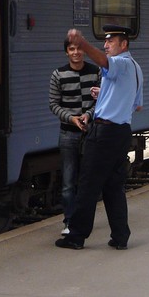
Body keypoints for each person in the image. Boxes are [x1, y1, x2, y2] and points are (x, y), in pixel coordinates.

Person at [55, 24, 143, 251]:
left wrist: (82, 43)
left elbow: (105, 63)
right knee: (114, 186)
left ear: (123, 44)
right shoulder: (136, 68)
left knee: (87, 185)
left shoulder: (121, 63)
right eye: (105, 42)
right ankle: (120, 236)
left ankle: (76, 236)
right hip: (121, 132)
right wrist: (104, 93)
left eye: (110, 41)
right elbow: (137, 105)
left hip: (105, 134)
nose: (105, 46)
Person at [49, 37, 101, 236]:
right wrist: (72, 119)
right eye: (71, 49)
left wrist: (88, 115)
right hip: (68, 133)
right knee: (68, 182)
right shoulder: (58, 75)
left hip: (90, 133)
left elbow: (103, 99)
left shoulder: (95, 72)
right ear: (66, 52)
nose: (76, 52)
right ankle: (70, 222)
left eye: (79, 49)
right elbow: (54, 104)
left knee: (86, 181)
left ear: (84, 52)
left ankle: (83, 221)